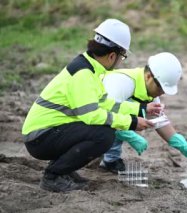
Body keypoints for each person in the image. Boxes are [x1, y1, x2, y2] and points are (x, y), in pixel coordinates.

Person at [21, 19, 155, 192]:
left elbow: (105, 103)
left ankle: (64, 170)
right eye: (122, 57)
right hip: (40, 138)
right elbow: (91, 115)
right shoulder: (84, 73)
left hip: (48, 132)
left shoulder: (90, 68)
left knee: (101, 129)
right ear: (112, 56)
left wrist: (139, 109)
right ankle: (53, 176)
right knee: (104, 135)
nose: (121, 61)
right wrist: (132, 123)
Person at [99, 52, 187, 173]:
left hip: (98, 122)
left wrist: (183, 146)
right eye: (161, 88)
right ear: (149, 76)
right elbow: (104, 114)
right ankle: (99, 156)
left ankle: (109, 160)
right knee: (123, 117)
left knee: (131, 113)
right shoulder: (122, 82)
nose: (162, 93)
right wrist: (130, 135)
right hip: (82, 121)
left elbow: (159, 121)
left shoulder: (148, 91)